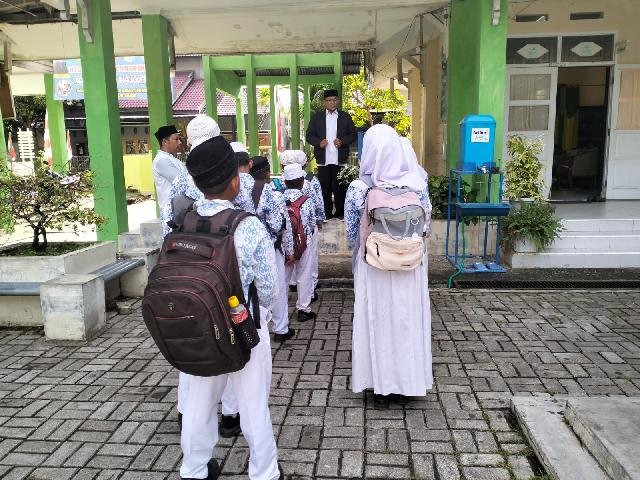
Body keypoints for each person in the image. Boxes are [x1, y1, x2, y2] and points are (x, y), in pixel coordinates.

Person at [179, 135, 282, 480]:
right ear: (236, 181)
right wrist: (261, 315)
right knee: (253, 404)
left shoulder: (183, 221)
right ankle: (264, 472)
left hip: (198, 327)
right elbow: (269, 290)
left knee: (198, 401)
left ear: (197, 183)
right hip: (244, 327)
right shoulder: (248, 226)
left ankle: (194, 469)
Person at [160, 115, 242, 441]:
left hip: (189, 270)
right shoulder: (228, 170)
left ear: (190, 139)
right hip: (225, 272)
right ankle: (231, 416)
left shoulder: (184, 175)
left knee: (193, 342)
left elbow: (168, 221)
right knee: (232, 342)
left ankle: (187, 413)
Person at [344, 124, 433, 410]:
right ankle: (407, 384)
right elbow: (426, 228)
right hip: (411, 266)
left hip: (374, 266)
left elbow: (351, 234)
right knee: (407, 321)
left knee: (377, 322)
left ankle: (380, 389)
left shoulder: (359, 188)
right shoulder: (418, 184)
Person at [251, 156, 295, 342]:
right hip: (270, 247)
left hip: (247, 248)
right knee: (277, 288)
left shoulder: (239, 191)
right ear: (268, 173)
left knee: (251, 289)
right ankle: (281, 329)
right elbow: (281, 226)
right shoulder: (273, 194)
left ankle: (255, 330)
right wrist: (289, 250)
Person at [305, 89, 357, 220]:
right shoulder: (317, 117)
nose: (332, 102)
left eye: (334, 100)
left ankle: (340, 213)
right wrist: (319, 143)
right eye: (329, 100)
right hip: (323, 159)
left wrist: (342, 141)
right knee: (325, 187)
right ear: (324, 102)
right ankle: (326, 213)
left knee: (340, 187)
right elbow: (309, 135)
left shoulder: (345, 116)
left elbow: (353, 134)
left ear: (338, 101)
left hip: (340, 159)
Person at [279, 150, 324, 296]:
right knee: (308, 262)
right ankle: (309, 292)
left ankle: (289, 289)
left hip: (284, 229)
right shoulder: (310, 180)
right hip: (305, 229)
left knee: (285, 263)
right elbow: (318, 202)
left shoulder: (278, 181)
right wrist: (319, 221)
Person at [282, 163, 317, 322]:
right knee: (304, 275)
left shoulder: (279, 198)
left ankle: (280, 312)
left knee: (283, 277)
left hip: (283, 244)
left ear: (285, 182)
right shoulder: (306, 200)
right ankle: (303, 309)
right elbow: (311, 223)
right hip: (304, 242)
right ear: (302, 182)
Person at [152, 124, 186, 210]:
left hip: (178, 209)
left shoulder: (171, 158)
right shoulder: (161, 161)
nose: (179, 142)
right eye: (176, 139)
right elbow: (183, 182)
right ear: (165, 142)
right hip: (171, 211)